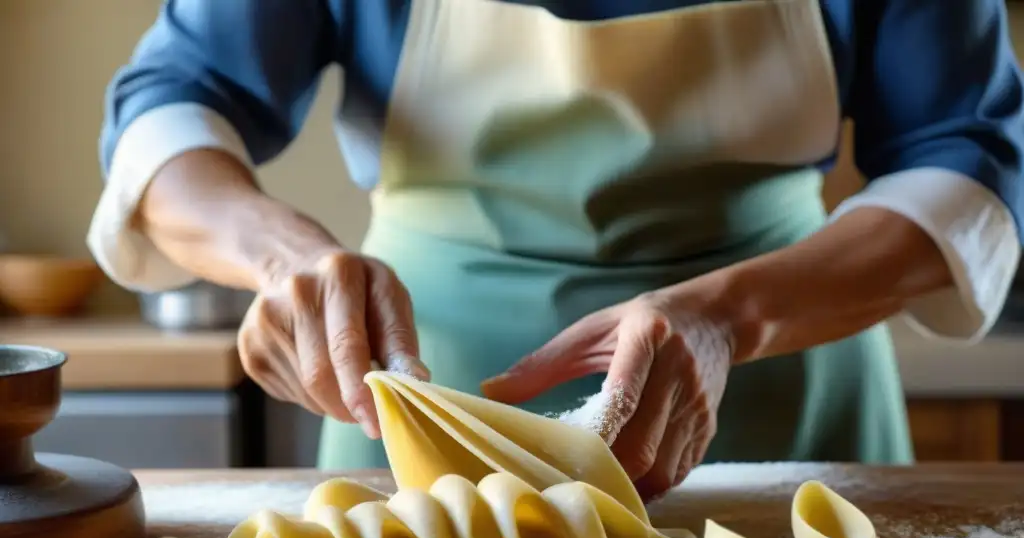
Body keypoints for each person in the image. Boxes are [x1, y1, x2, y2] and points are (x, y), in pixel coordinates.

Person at [90, 0, 1024, 500]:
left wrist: (728, 318)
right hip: (423, 417)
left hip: (786, 406)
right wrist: (282, 257)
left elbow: (969, 164)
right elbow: (171, 109)